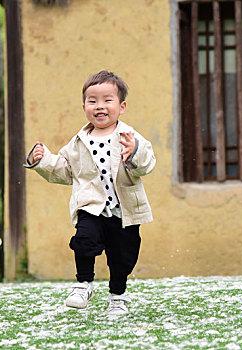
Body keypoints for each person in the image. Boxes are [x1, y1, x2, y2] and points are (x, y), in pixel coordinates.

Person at [24, 70, 155, 316]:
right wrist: (40, 160)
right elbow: (63, 169)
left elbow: (147, 164)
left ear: (121, 106)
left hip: (123, 211)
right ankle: (83, 284)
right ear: (84, 106)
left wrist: (134, 152)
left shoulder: (129, 137)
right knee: (83, 241)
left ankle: (118, 296)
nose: (99, 106)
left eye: (108, 100)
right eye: (92, 101)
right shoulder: (78, 141)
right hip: (91, 207)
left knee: (122, 258)